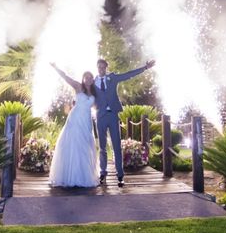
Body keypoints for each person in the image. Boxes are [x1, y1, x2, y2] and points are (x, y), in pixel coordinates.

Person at [93, 58, 155, 187]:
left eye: (103, 67)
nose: (101, 69)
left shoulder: (113, 78)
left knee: (116, 146)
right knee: (102, 147)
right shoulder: (92, 83)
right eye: (99, 67)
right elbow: (83, 91)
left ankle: (120, 175)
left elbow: (128, 75)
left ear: (106, 68)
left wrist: (145, 68)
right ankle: (103, 173)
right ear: (97, 68)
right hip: (100, 117)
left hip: (113, 116)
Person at [48, 63, 99, 187]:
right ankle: (70, 176)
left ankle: (83, 175)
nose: (88, 79)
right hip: (75, 119)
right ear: (83, 79)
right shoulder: (78, 87)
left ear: (93, 80)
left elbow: (96, 107)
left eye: (90, 77)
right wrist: (56, 67)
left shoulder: (94, 94)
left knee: (85, 145)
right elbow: (66, 77)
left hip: (86, 121)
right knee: (74, 143)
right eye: (86, 77)